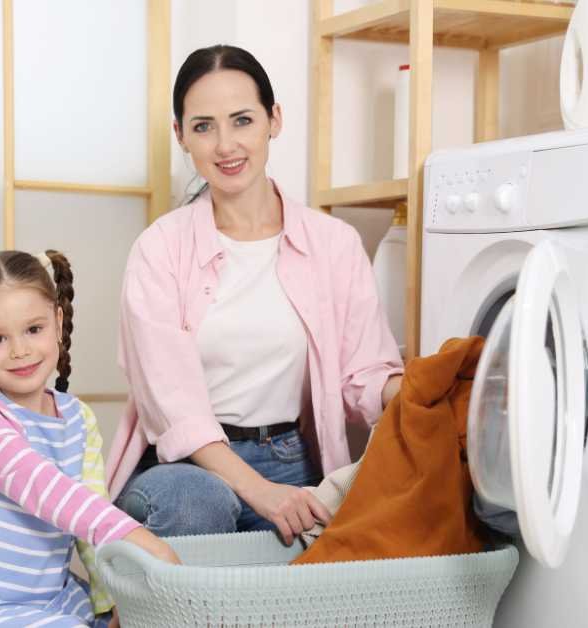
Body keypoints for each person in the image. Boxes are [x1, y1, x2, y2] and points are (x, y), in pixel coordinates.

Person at [107, 45, 405, 546]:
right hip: (184, 470)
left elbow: (364, 377)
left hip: (291, 456)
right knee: (195, 504)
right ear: (180, 135)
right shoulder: (159, 249)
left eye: (242, 120)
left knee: (355, 549)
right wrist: (261, 493)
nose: (226, 145)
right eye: (203, 126)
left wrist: (430, 394)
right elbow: (174, 409)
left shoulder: (334, 245)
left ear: (274, 120)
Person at [0, 249, 179, 628]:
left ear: (58, 322)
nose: (20, 350)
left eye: (33, 329)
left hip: (48, 598)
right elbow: (49, 492)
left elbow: (89, 510)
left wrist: (111, 602)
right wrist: (142, 539)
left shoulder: (77, 418)